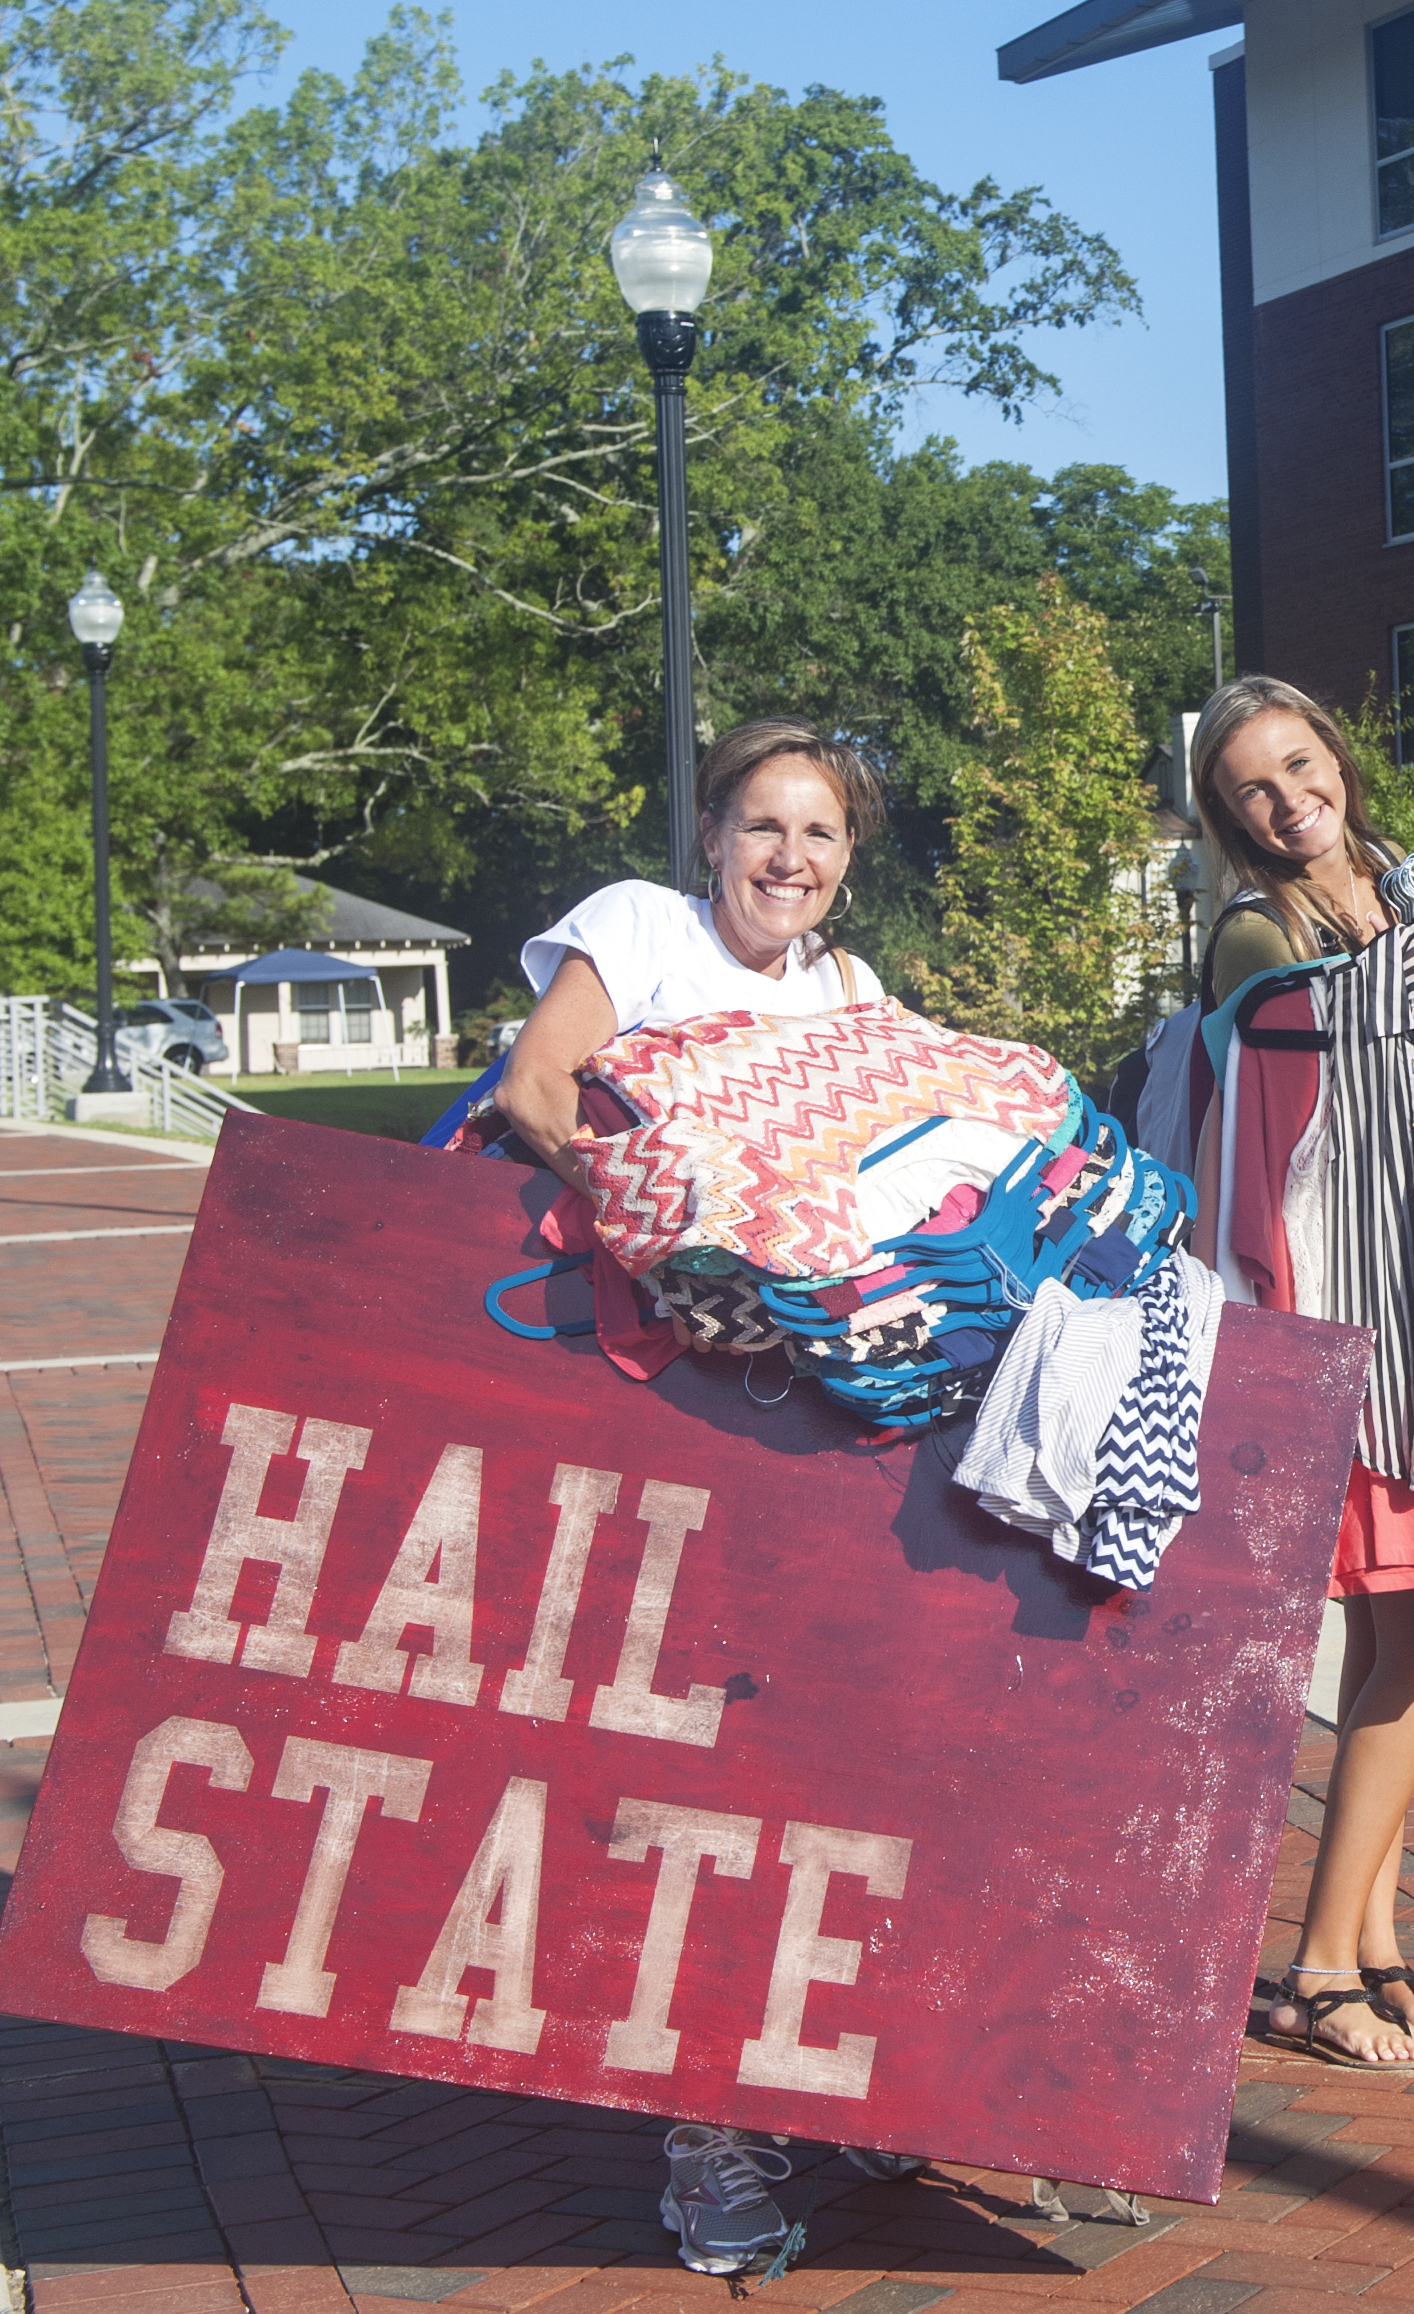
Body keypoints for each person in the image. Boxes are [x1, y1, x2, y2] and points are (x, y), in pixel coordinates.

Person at [495, 716, 928, 2272]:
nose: (788, 860)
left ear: (848, 862)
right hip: (638, 1385)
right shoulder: (640, 931)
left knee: (817, 1748)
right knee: (682, 1754)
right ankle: (707, 2138)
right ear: (711, 835)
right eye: (763, 827)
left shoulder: (857, 997)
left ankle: (830, 2065)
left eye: (818, 836)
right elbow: (537, 1091)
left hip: (801, 1415)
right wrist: (664, 1241)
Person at [1188, 676, 1414, 2072]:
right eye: (1251, 785)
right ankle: (1315, 1966)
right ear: (1226, 815)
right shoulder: (1259, 933)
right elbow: (1295, 1123)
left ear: (1336, 761)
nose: (1285, 796)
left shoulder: (1400, 901)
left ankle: (1366, 1940)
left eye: (1298, 763)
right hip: (1356, 1328)